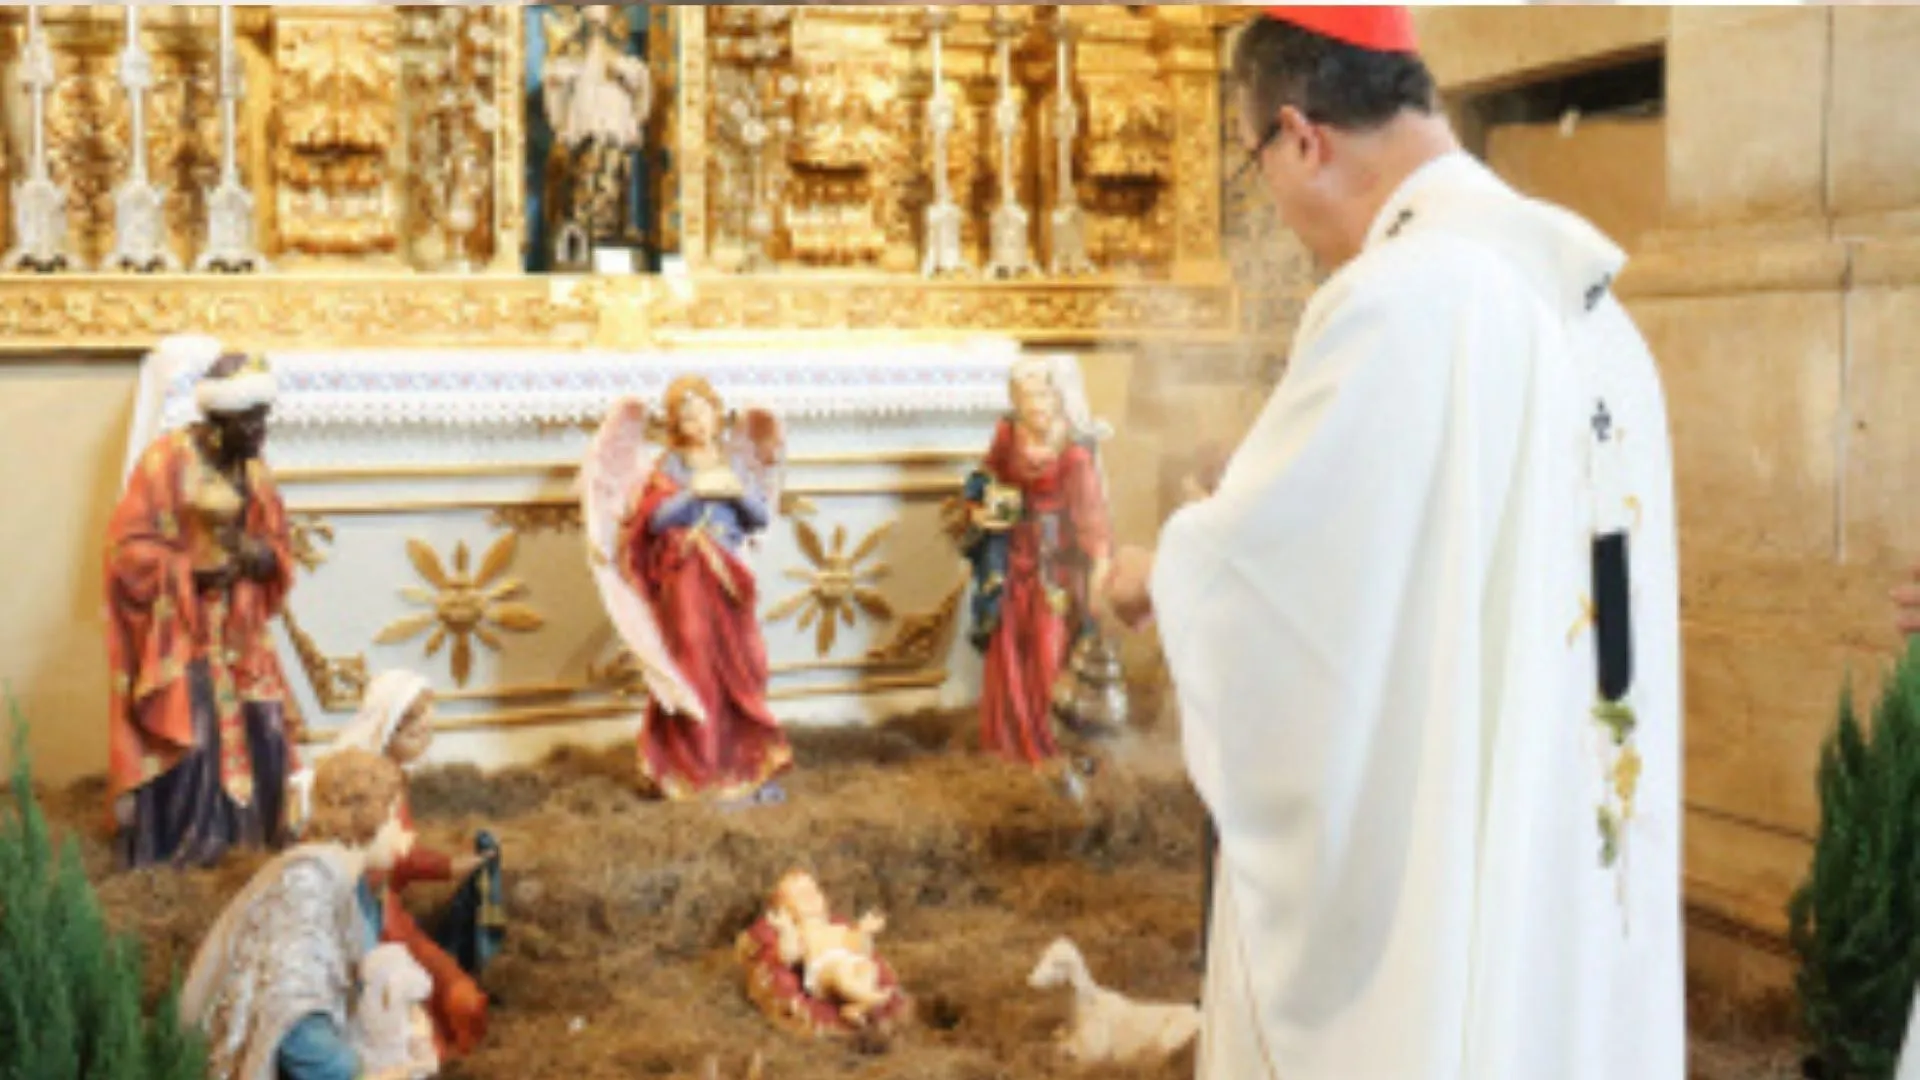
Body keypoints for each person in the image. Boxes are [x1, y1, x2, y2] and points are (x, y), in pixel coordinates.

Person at [1102, 8, 1683, 1079]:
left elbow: (1286, 614)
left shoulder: (1397, 297)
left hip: (1447, 896)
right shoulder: (1591, 304)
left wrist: (1165, 571)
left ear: (1301, 135)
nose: (1269, 206)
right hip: (1564, 844)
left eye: (1254, 166)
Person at [105, 351, 302, 870]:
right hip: (182, 632)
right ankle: (187, 859)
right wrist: (185, 573)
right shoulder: (165, 463)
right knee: (192, 734)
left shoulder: (254, 471)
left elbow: (276, 542)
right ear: (220, 419)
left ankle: (252, 851)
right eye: (251, 419)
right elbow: (125, 552)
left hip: (241, 632)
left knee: (265, 725)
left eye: (264, 416)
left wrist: (262, 557)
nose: (262, 430)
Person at [588, 376, 794, 801]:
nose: (693, 420)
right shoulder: (670, 466)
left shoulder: (733, 462)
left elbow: (758, 517)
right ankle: (694, 770)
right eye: (684, 414)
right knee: (693, 660)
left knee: (745, 663)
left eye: (700, 410)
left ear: (717, 414)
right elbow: (654, 521)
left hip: (730, 577)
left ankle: (739, 764)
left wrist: (734, 491)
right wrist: (694, 494)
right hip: (685, 578)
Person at [181, 748, 424, 1080]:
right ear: (370, 815)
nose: (401, 830)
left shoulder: (349, 886)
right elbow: (293, 1019)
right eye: (395, 816)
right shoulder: (307, 884)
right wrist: (359, 1073)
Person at [323, 671, 496, 1060]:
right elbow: (396, 860)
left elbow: (400, 854)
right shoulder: (371, 787)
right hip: (377, 917)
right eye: (417, 734)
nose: (426, 742)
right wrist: (448, 866)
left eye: (429, 731)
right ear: (389, 729)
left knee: (450, 988)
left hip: (388, 909)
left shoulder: (393, 777)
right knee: (437, 994)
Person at [955, 357, 1112, 765]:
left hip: (1053, 562)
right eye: (1024, 397)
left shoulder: (1073, 454)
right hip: (1012, 551)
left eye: (1041, 394)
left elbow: (1091, 521)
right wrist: (982, 508)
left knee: (1048, 649)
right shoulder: (1009, 434)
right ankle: (1007, 743)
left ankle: (1050, 745)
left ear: (1056, 396)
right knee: (1008, 643)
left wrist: (1098, 570)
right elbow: (987, 477)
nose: (1034, 404)